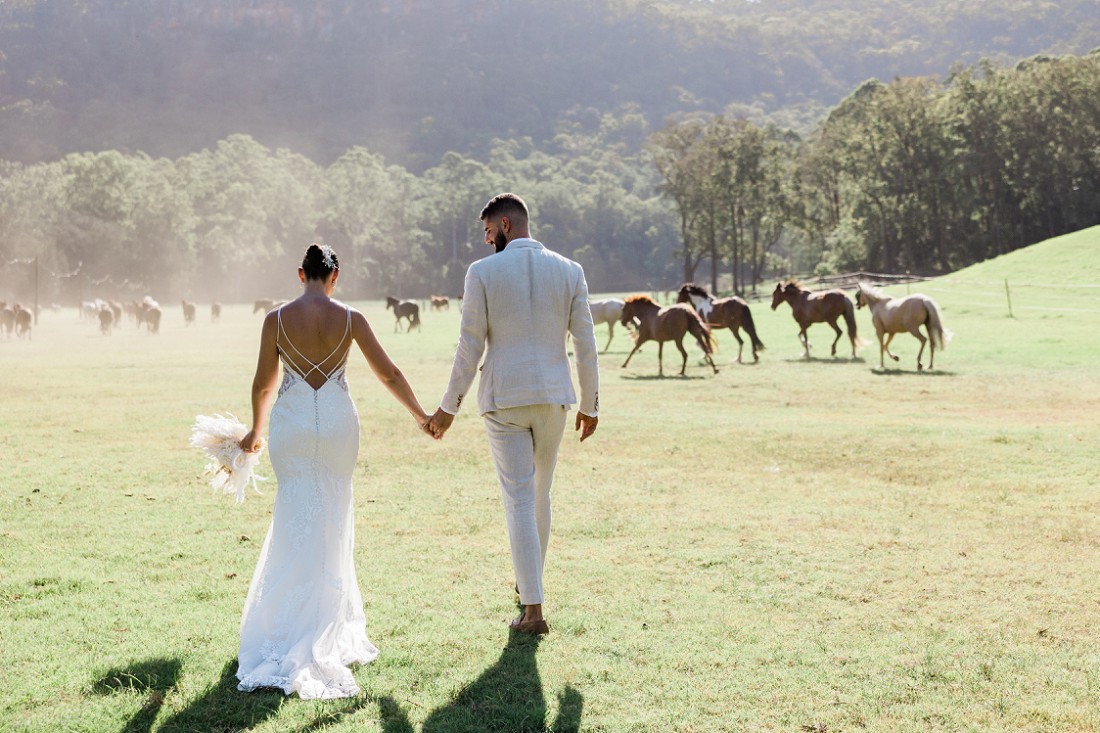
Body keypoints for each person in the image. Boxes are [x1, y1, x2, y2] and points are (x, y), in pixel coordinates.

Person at [237, 243, 430, 699]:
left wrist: (255, 431)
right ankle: (326, 624)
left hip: (294, 424)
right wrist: (420, 415)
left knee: (293, 515)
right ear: (335, 276)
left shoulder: (277, 320)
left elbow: (265, 383)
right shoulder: (351, 318)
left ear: (299, 275)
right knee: (333, 515)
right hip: (340, 423)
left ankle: (287, 626)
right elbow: (390, 374)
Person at [427, 193, 600, 636]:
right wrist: (590, 404)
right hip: (554, 399)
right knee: (540, 496)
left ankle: (534, 610)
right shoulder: (569, 270)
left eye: (488, 232)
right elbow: (585, 343)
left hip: (504, 399)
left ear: (505, 225)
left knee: (520, 500)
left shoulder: (482, 273)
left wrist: (449, 407)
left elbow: (470, 344)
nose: (486, 242)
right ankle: (529, 590)